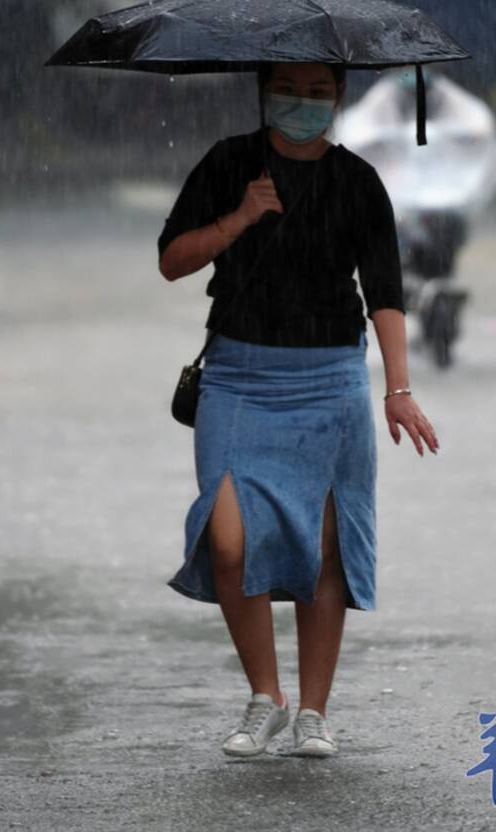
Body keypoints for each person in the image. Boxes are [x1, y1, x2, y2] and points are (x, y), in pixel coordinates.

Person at [157, 61, 439, 759]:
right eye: (289, 89)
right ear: (263, 90)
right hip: (239, 379)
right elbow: (171, 259)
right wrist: (240, 217)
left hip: (328, 379)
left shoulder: (356, 182)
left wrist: (397, 389)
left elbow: (385, 291)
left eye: (319, 91)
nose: (303, 103)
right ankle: (265, 697)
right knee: (227, 537)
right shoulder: (229, 162)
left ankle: (312, 711)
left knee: (324, 549)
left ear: (339, 96)